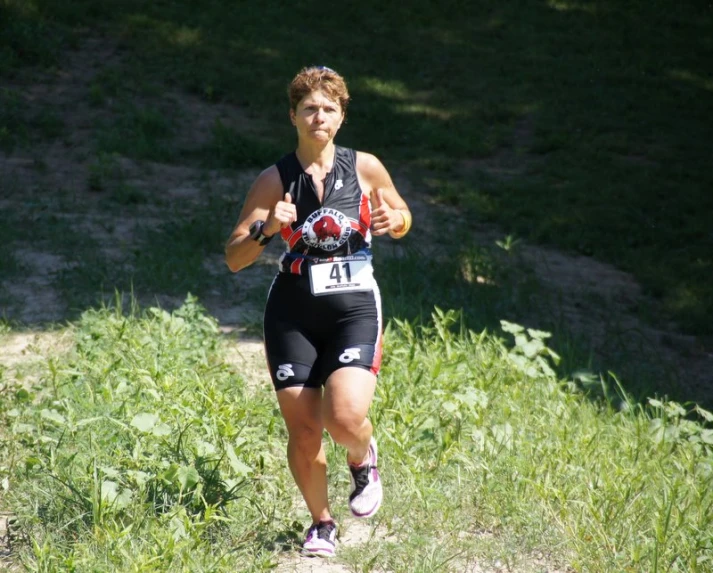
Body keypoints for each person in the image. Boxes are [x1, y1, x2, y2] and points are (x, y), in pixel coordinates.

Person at [225, 65, 412, 559]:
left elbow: (401, 212)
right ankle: (321, 523)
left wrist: (398, 220)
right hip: (292, 311)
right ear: (293, 115)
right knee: (304, 428)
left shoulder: (365, 167)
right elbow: (234, 257)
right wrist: (267, 229)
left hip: (354, 308)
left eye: (329, 108)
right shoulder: (275, 178)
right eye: (309, 108)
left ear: (342, 116)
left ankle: (361, 457)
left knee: (345, 416)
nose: (319, 117)